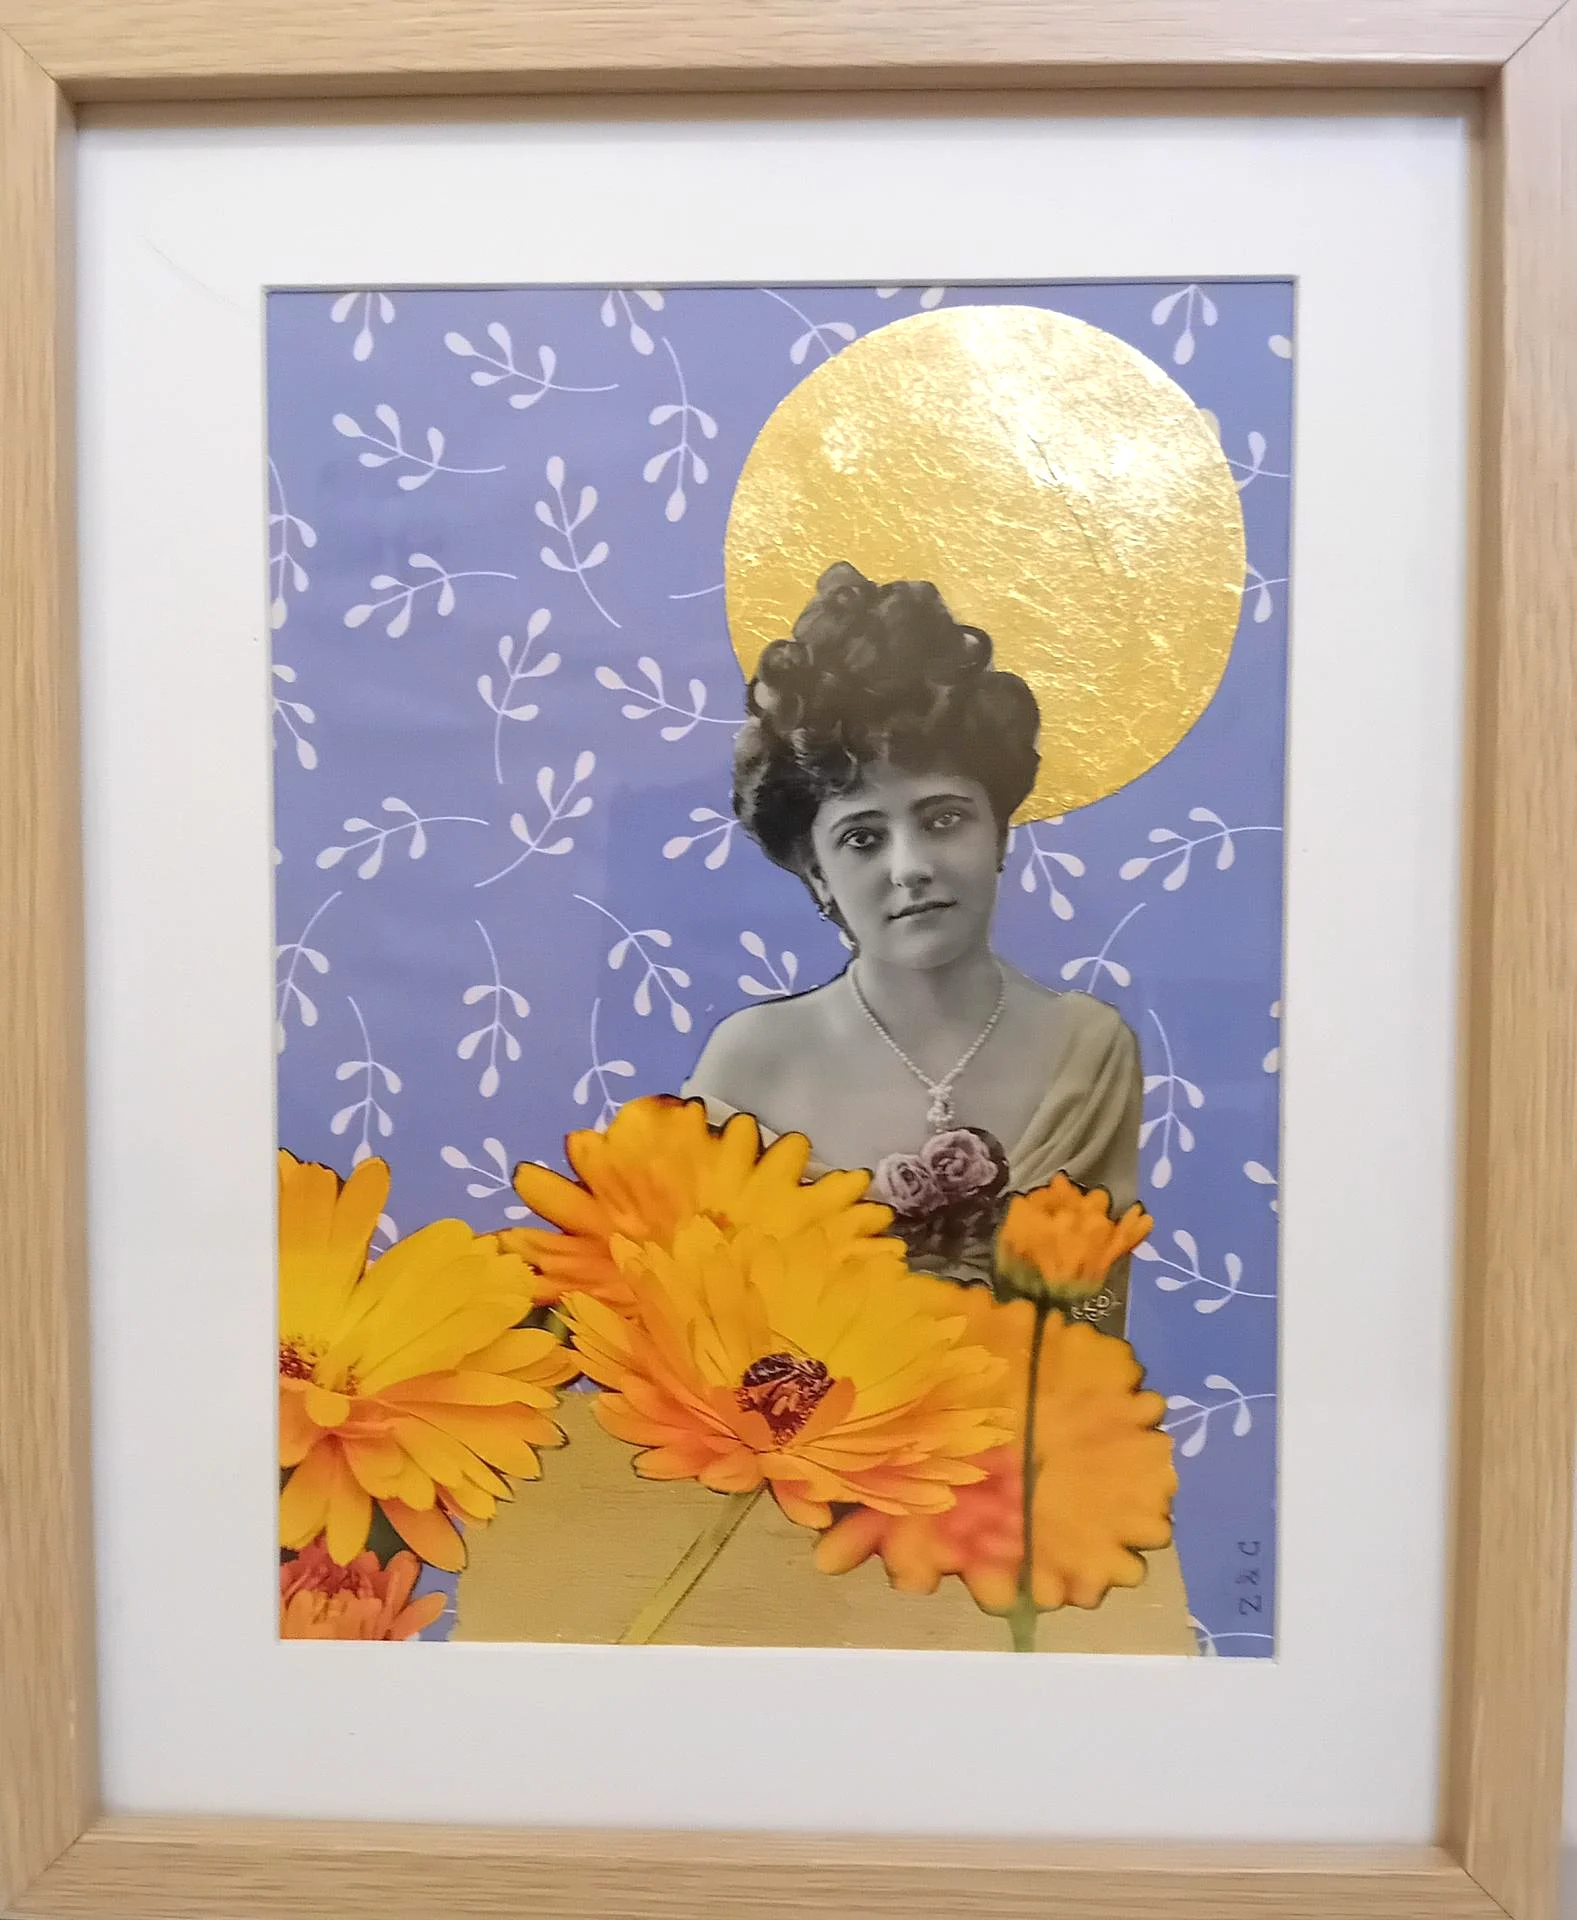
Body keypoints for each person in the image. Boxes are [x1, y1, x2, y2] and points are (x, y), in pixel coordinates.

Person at [685, 561, 1145, 1332]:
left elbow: (1088, 1334)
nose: (910, 868)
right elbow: (697, 1329)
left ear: (999, 833)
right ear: (818, 874)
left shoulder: (1086, 1053)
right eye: (862, 838)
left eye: (942, 820)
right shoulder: (748, 1064)